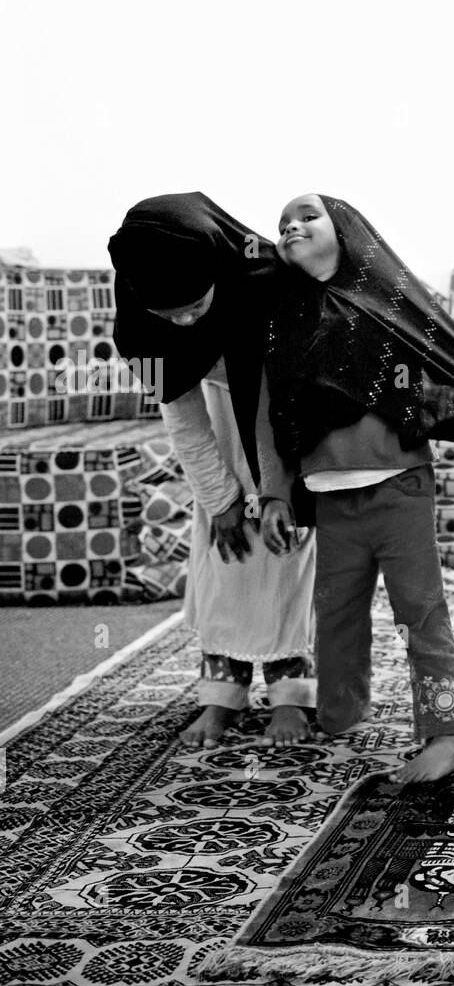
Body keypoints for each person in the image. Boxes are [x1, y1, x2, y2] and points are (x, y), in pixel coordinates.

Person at [267, 194, 454, 784]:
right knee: (335, 610)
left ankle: (445, 736)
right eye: (282, 225)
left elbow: (452, 365)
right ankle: (341, 711)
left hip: (399, 488)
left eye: (307, 215)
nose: (292, 225)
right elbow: (271, 416)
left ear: (346, 230)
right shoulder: (285, 317)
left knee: (420, 612)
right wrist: (275, 492)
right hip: (329, 498)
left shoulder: (389, 301)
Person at [108, 193, 317, 749]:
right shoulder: (136, 303)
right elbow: (180, 409)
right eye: (168, 316)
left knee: (285, 541)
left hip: (283, 420)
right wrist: (221, 499)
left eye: (195, 309)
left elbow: (280, 391)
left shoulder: (264, 275)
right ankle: (221, 696)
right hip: (218, 421)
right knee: (223, 550)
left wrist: (274, 489)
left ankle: (290, 695)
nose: (182, 323)